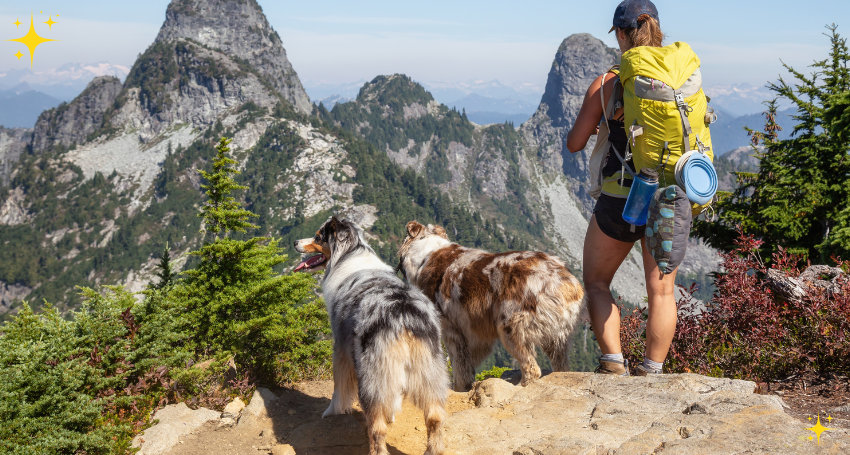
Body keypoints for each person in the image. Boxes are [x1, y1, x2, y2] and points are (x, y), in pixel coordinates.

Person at [566, 0, 674, 376]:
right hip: (669, 196)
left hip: (622, 195)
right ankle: (652, 371)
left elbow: (575, 143)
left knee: (596, 282)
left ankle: (613, 362)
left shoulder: (608, 82)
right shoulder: (679, 77)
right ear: (656, 29)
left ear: (622, 35)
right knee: (661, 291)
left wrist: (604, 126)